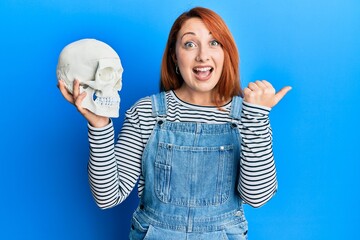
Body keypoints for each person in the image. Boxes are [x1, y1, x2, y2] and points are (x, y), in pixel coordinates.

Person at [58, 6, 291, 240]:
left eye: (214, 43)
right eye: (190, 44)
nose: (202, 55)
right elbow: (108, 197)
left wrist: (257, 117)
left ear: (226, 52)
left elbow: (257, 197)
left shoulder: (247, 116)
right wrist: (100, 126)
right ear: (174, 56)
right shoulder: (147, 112)